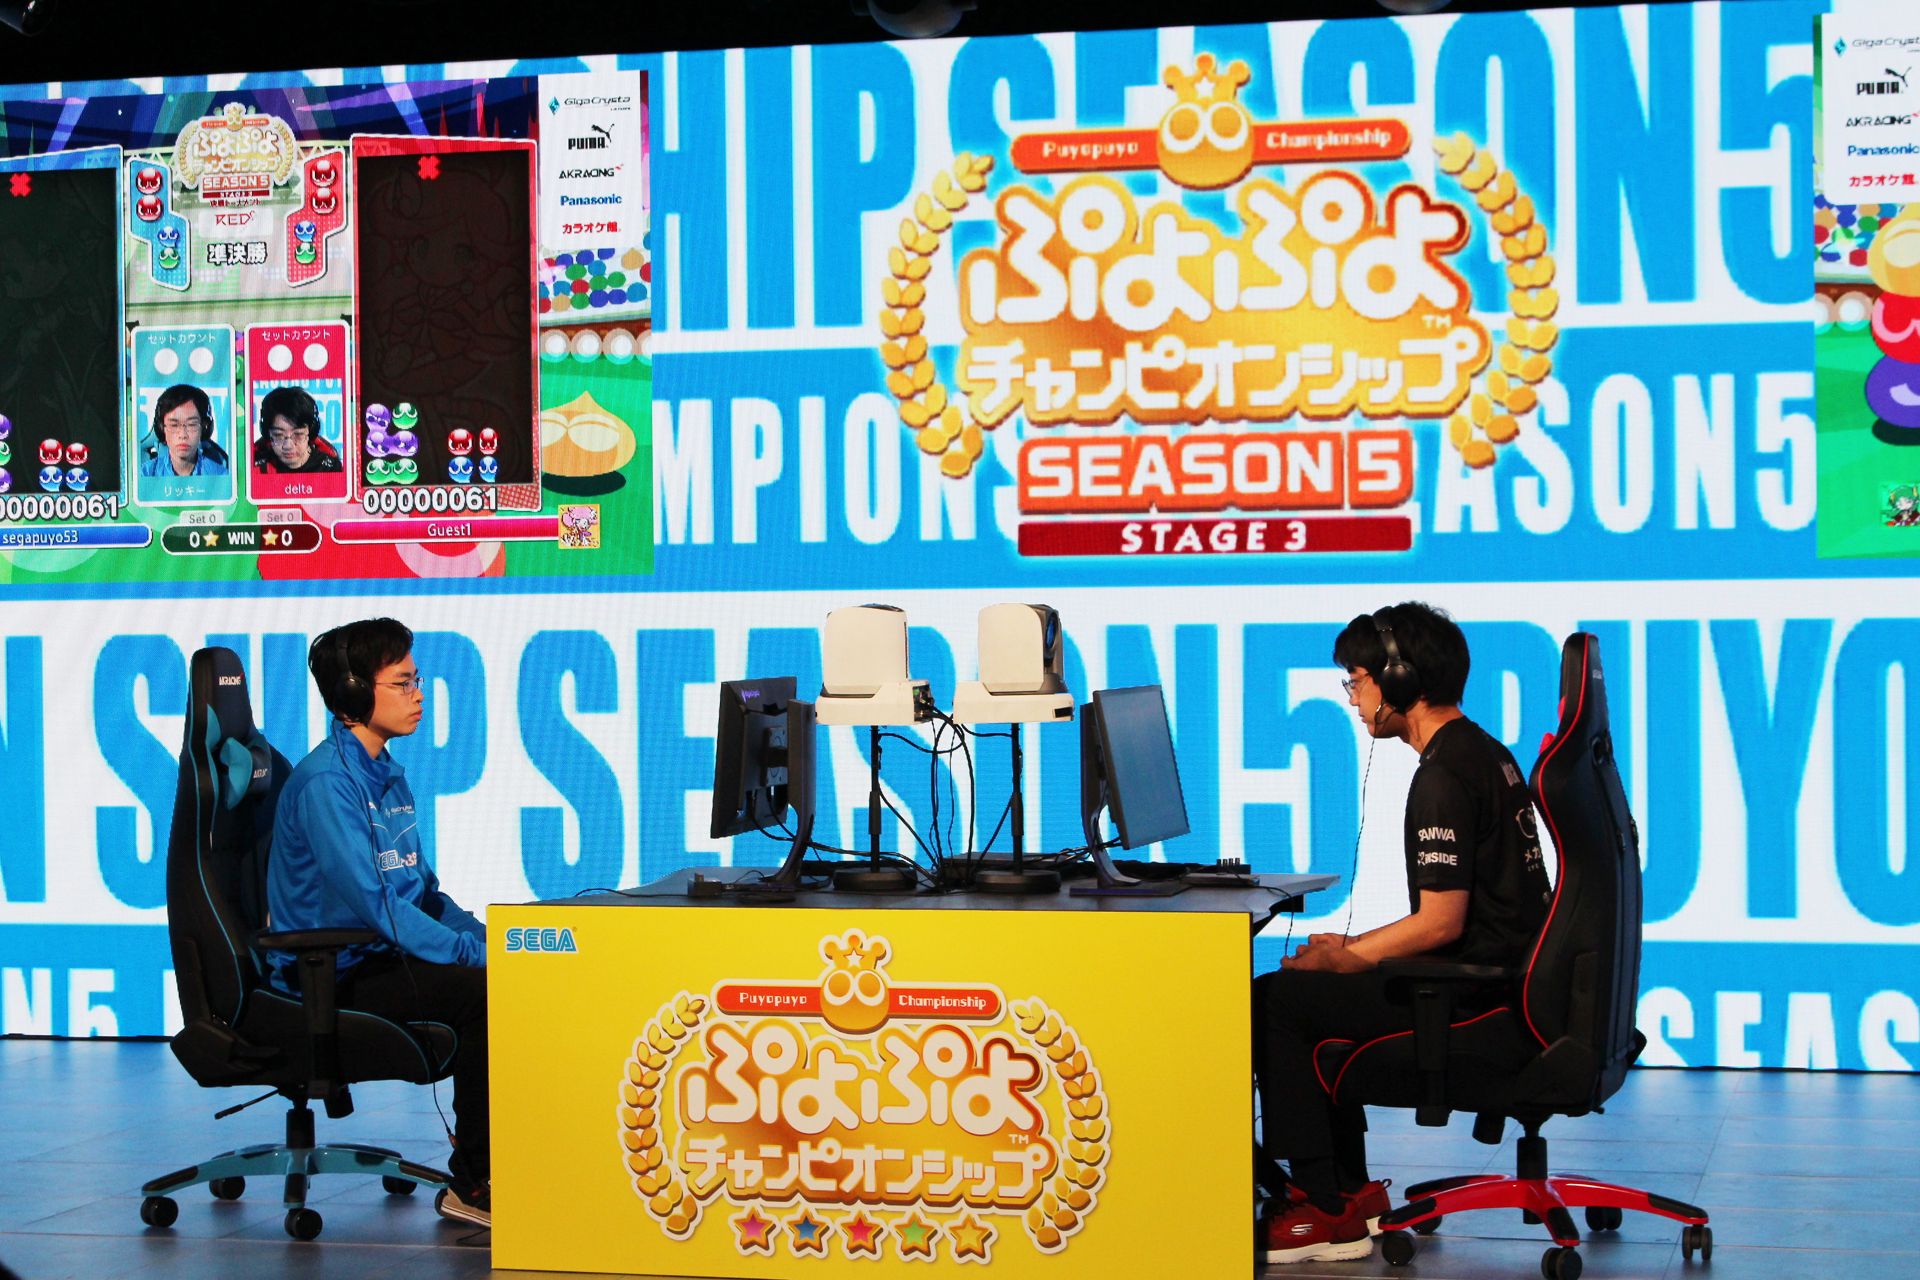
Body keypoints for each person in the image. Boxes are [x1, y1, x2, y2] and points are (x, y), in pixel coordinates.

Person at [1253, 603, 1550, 1264]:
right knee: (1306, 993)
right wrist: (1350, 951)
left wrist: (1351, 960)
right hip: (1503, 984)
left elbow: (1442, 921)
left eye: (1357, 681)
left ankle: (1324, 1207)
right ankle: (1348, 1188)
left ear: (1400, 679)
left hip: (1475, 1001)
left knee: (1275, 1001)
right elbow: (1455, 918)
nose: (1352, 699)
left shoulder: (1442, 776)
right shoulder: (1482, 752)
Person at [265, 618, 492, 1227]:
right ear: (353, 693)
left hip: (376, 956)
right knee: (484, 995)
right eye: (402, 683)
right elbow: (383, 908)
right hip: (328, 974)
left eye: (417, 680)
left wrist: (491, 940)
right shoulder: (327, 785)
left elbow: (423, 893)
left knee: (512, 972)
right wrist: (474, 958)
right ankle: (474, 1183)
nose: (419, 695)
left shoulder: (386, 774)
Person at [140, 385, 231, 477]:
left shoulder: (221, 475)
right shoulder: (145, 474)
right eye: (174, 425)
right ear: (161, 428)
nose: (182, 435)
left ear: (204, 428)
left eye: (191, 425)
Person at [252, 386, 344, 474]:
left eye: (298, 435)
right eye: (278, 435)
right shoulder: (254, 467)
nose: (288, 446)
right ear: (268, 434)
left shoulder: (331, 469)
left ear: (310, 432)